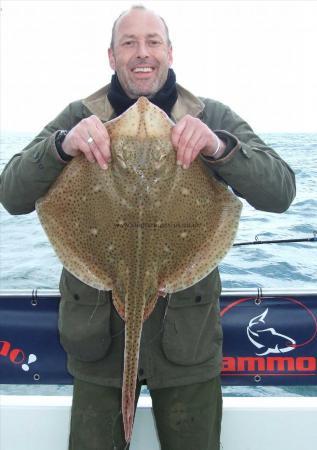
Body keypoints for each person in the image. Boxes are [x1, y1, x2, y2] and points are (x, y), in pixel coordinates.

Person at [0, 5, 296, 450]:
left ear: (170, 52)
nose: (142, 53)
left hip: (186, 345)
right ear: (111, 55)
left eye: (153, 41)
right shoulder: (80, 114)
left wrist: (219, 147)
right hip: (98, 347)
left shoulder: (210, 114)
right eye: (129, 42)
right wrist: (61, 146)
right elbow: (11, 193)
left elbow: (281, 192)